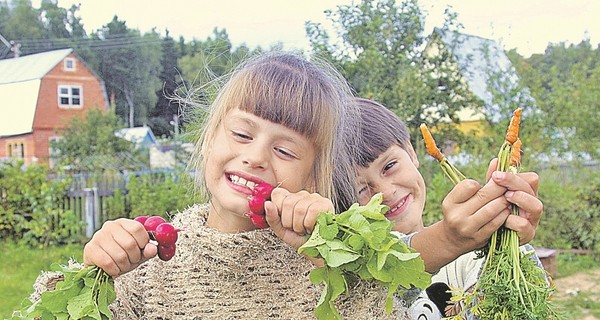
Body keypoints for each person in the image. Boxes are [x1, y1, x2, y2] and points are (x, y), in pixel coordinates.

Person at [62, 52, 413, 319]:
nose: (256, 156)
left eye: (285, 150)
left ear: (313, 176)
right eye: (242, 134)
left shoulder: (330, 273)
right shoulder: (148, 269)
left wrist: (333, 258)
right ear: (209, 138)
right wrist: (97, 275)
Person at [352, 97, 545, 318]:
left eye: (389, 166)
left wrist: (505, 238)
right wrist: (449, 239)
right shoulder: (359, 282)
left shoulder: (470, 260)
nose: (385, 192)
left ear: (411, 151)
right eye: (361, 189)